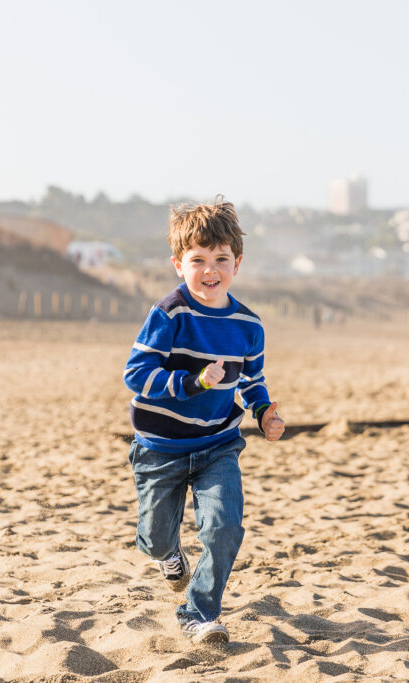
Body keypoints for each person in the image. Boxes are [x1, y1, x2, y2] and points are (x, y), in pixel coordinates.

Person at [123, 198, 286, 644]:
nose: (209, 270)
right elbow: (135, 375)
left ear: (237, 262)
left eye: (220, 259)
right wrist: (191, 382)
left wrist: (264, 412)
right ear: (179, 264)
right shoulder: (169, 314)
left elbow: (252, 382)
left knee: (224, 527)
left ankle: (199, 613)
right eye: (197, 260)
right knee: (154, 540)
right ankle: (170, 556)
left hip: (218, 445)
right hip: (160, 446)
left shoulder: (248, 324)